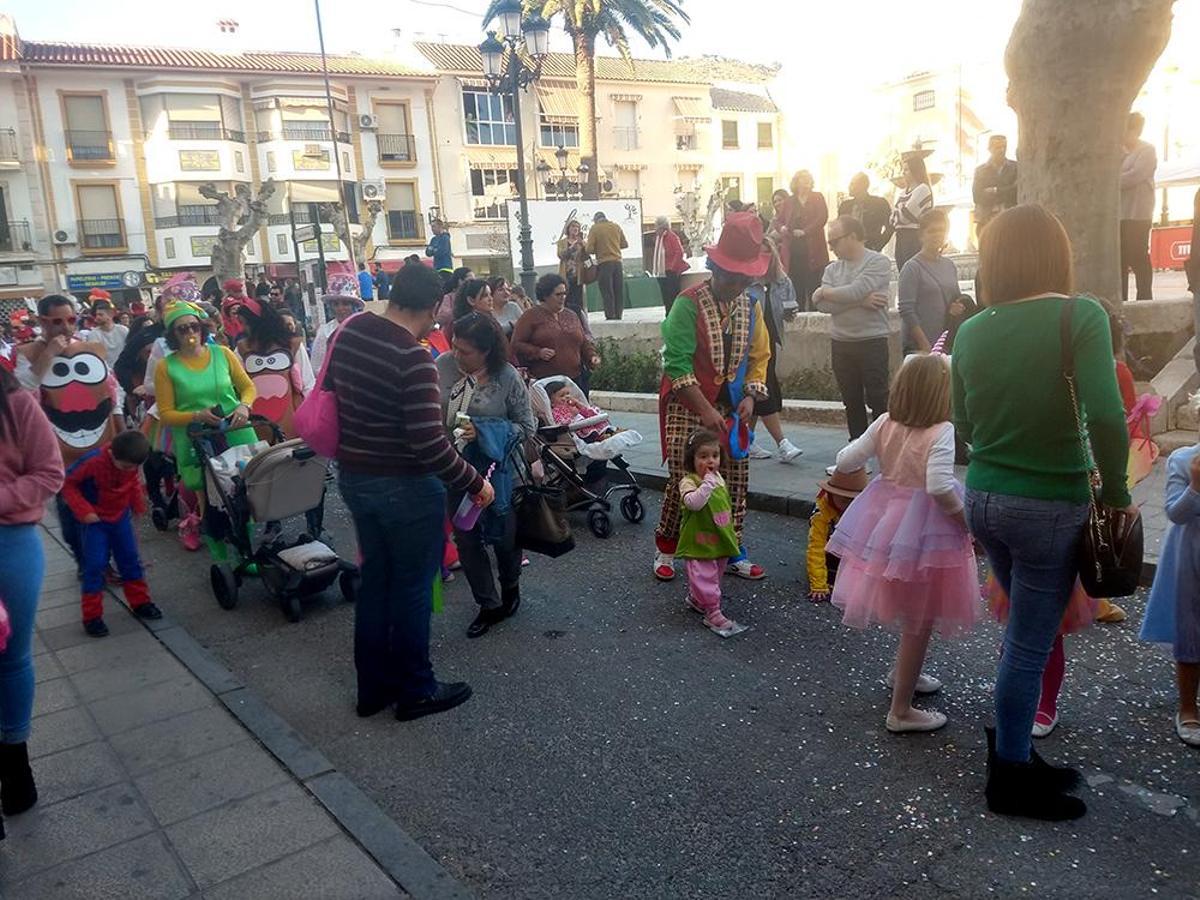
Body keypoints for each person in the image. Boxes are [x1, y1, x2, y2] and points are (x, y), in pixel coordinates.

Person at [953, 204, 1134, 821]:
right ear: (1055, 254)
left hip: (983, 497)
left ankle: (1016, 752)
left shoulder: (972, 329)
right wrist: (1116, 492)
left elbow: (963, 420)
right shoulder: (1078, 315)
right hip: (1050, 505)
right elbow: (1106, 414)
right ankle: (1009, 775)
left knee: (1021, 635)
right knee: (1029, 644)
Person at [327, 263, 493, 721]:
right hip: (405, 488)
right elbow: (428, 444)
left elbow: (332, 392)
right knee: (414, 588)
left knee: (376, 583)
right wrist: (475, 481)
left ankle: (373, 689)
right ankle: (416, 689)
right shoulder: (413, 357)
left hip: (356, 477)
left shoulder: (351, 331)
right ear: (434, 305)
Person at [827, 353, 977, 732]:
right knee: (920, 619)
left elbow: (845, 460)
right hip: (925, 530)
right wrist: (966, 523)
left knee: (913, 611)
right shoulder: (941, 430)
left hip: (885, 521)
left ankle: (902, 674)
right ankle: (901, 711)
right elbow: (939, 486)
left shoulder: (884, 423)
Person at [654, 212, 772, 583]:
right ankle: (668, 547)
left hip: (730, 404)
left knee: (734, 478)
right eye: (732, 277)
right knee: (686, 476)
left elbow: (759, 357)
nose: (737, 286)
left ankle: (731, 547)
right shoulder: (687, 303)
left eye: (744, 279)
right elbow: (676, 363)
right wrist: (705, 410)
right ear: (715, 269)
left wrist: (751, 397)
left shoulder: (751, 306)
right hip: (688, 401)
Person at [437, 312, 535, 638]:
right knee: (467, 539)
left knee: (505, 538)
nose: (456, 355)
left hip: (499, 474)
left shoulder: (506, 376)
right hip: (456, 471)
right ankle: (488, 604)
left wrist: (484, 431)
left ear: (487, 351)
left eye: (465, 351)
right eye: (454, 346)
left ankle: (510, 588)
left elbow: (527, 427)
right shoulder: (442, 367)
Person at [0, 364, 64, 833]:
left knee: (11, 659)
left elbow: (49, 472)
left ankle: (15, 762)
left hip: (10, 546)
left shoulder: (15, 402)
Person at [14, 294, 123, 568]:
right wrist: (48, 354)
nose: (66, 327)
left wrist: (120, 426)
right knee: (71, 507)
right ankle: (84, 559)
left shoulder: (88, 348)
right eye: (57, 321)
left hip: (98, 440)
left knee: (103, 502)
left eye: (71, 320)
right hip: (57, 448)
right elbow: (22, 391)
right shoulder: (27, 353)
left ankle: (103, 560)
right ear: (42, 322)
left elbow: (111, 388)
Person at [154, 301, 257, 563]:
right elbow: (165, 414)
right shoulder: (166, 367)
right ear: (172, 335)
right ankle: (222, 562)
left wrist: (244, 406)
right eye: (182, 329)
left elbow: (248, 387)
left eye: (194, 326)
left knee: (245, 494)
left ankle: (246, 556)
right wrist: (197, 415)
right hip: (198, 440)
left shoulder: (223, 354)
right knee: (210, 501)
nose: (190, 332)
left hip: (234, 431)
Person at [62, 430, 162, 637]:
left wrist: (137, 503)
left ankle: (140, 602)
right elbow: (68, 484)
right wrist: (84, 511)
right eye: (125, 466)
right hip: (95, 522)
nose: (130, 470)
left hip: (120, 519)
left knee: (130, 560)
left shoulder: (129, 462)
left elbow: (133, 481)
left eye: (134, 467)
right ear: (112, 455)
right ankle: (92, 617)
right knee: (94, 566)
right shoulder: (92, 462)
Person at [1140, 426, 1200, 748]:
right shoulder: (1183, 459)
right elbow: (1175, 513)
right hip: (1191, 560)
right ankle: (1188, 707)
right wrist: (1196, 485)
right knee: (1190, 633)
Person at [814, 216, 893, 440]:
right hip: (841, 342)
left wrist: (824, 291)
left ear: (852, 236)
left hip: (872, 340)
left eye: (834, 241)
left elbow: (854, 290)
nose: (831, 248)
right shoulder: (832, 269)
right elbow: (822, 306)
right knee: (851, 399)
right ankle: (856, 447)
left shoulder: (878, 262)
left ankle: (883, 445)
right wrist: (860, 302)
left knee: (878, 398)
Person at [676, 429, 749, 638]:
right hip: (700, 539)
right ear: (692, 459)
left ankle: (698, 599)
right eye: (703, 456)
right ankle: (713, 611)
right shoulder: (689, 482)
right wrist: (706, 485)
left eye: (715, 455)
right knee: (705, 574)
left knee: (715, 572)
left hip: (720, 536)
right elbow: (694, 503)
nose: (710, 461)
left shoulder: (718, 477)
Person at [747, 242, 803, 462]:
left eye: (768, 254)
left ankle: (747, 440)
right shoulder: (747, 283)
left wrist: (791, 312)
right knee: (764, 389)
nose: (764, 258)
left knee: (756, 391)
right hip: (750, 345)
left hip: (771, 342)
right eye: (759, 254)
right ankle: (783, 443)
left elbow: (789, 310)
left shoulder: (782, 282)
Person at [898, 210, 971, 353]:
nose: (937, 234)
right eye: (932, 231)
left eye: (941, 230)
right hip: (921, 347)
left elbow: (957, 297)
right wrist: (924, 345)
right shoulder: (912, 268)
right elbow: (906, 310)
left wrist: (957, 307)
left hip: (947, 341)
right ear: (921, 236)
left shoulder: (949, 265)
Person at [236, 298, 308, 440]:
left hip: (291, 415)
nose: (243, 329)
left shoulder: (292, 344)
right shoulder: (242, 348)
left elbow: (307, 383)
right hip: (257, 419)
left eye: (245, 323)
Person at [511, 274, 600, 382]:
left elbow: (583, 341)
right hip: (546, 380)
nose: (563, 298)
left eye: (564, 293)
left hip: (576, 378)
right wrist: (538, 352)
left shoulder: (571, 315)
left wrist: (592, 356)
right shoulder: (530, 317)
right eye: (558, 294)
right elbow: (516, 344)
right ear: (545, 296)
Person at [805, 467, 867, 603]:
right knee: (832, 571)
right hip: (829, 548)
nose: (849, 506)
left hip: (850, 547)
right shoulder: (821, 513)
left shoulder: (865, 508)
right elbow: (816, 548)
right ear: (831, 493)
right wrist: (818, 585)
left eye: (854, 501)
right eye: (845, 500)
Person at [774, 170, 830, 312]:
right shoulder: (789, 201)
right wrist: (782, 228)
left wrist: (805, 231)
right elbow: (777, 221)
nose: (806, 181)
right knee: (796, 286)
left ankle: (814, 316)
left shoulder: (817, 197)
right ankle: (798, 316)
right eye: (803, 179)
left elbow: (822, 217)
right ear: (796, 182)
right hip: (794, 250)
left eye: (808, 179)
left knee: (814, 286)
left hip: (814, 249)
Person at [1120, 112, 1157, 302]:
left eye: (1127, 131)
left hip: (1139, 214)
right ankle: (1121, 298)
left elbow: (1135, 176)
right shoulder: (1118, 151)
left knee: (1139, 256)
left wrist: (1111, 181)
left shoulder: (1147, 151)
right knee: (1121, 259)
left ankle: (1144, 297)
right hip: (1120, 215)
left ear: (1136, 130)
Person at [890, 153, 934, 273]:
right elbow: (892, 219)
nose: (903, 173)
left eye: (906, 170)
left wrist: (898, 212)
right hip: (900, 237)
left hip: (914, 237)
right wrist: (899, 213)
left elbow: (906, 215)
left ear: (915, 170)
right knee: (903, 271)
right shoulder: (902, 192)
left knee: (913, 271)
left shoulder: (923, 189)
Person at [586, 212, 628, 320]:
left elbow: (589, 249)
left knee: (607, 291)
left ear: (596, 220)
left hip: (604, 263)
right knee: (618, 290)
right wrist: (613, 246)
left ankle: (610, 315)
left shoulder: (595, 228)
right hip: (618, 262)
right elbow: (624, 244)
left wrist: (599, 248)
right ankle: (618, 315)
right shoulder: (616, 226)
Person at [972, 135, 1018, 234]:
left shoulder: (1015, 168)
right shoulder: (980, 171)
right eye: (997, 147)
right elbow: (977, 196)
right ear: (990, 149)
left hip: (1010, 220)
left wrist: (995, 191)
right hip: (987, 220)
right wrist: (1006, 192)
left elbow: (1016, 191)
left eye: (1004, 147)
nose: (1001, 150)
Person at [838, 173, 894, 253]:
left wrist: (879, 245)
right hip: (848, 250)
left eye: (852, 184)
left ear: (862, 186)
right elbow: (839, 228)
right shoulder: (845, 206)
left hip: (870, 248)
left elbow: (890, 226)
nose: (849, 187)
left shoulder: (879, 203)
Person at [311, 293, 362, 373]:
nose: (340, 308)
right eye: (336, 304)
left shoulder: (363, 329)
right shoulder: (325, 332)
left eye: (345, 304)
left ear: (354, 306)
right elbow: (317, 366)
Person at [557, 219, 592, 330]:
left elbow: (587, 257)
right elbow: (561, 255)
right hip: (566, 276)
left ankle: (580, 323)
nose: (575, 229)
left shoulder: (582, 242)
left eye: (577, 227)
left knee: (578, 301)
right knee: (566, 299)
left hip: (578, 276)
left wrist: (583, 246)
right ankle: (565, 321)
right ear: (568, 229)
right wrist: (572, 247)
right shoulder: (562, 242)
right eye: (573, 227)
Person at [651, 216, 688, 314]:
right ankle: (668, 315)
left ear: (662, 227)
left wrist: (672, 267)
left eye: (656, 226)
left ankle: (674, 315)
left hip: (671, 271)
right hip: (662, 271)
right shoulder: (659, 238)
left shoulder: (671, 237)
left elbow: (679, 252)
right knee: (666, 297)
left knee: (672, 296)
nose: (655, 229)